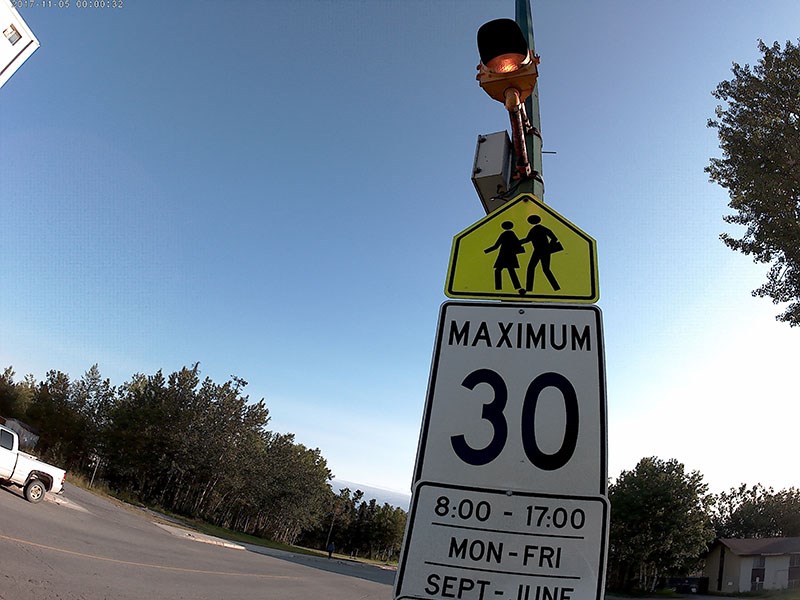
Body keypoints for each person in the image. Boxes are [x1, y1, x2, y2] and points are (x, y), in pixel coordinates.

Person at [521, 215, 561, 292]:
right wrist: (517, 242)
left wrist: (549, 248)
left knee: (544, 269)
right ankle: (529, 289)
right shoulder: (533, 230)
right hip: (537, 251)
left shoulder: (541, 228)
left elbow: (554, 238)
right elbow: (527, 239)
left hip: (543, 251)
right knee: (533, 268)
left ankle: (556, 288)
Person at [484, 221, 524, 291]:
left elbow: (496, 246)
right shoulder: (511, 234)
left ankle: (499, 287)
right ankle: (517, 286)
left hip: (504, 255)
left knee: (499, 270)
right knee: (510, 270)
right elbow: (518, 243)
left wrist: (486, 251)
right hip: (510, 255)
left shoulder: (504, 234)